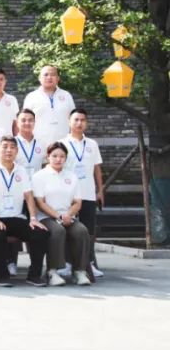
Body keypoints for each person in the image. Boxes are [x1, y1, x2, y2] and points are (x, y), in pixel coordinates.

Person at [0, 137, 50, 287]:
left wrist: (33, 218)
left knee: (40, 233)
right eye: (5, 147)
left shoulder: (21, 170)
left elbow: (28, 196)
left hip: (16, 217)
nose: (8, 150)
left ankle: (34, 275)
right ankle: (1, 275)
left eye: (12, 147)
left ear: (17, 151)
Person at [33, 142, 92, 286]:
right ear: (47, 157)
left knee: (81, 231)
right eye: (54, 156)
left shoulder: (71, 176)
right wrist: (58, 216)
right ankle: (52, 272)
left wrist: (67, 215)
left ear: (66, 158)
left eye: (62, 156)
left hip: (68, 216)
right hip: (46, 217)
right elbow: (40, 202)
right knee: (58, 231)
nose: (58, 159)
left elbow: (77, 202)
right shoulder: (39, 176)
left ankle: (79, 271)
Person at [59, 108, 104, 277]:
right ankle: (66, 263)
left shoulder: (92, 144)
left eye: (82, 120)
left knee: (88, 231)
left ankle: (89, 263)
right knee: (65, 229)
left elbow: (97, 169)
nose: (79, 123)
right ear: (69, 122)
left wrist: (100, 190)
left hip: (88, 193)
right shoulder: (61, 143)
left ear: (86, 123)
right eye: (76, 120)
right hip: (67, 194)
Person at [22, 65, 76, 145]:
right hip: (37, 145)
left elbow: (74, 119)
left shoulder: (66, 95)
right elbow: (24, 122)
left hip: (63, 144)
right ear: (39, 78)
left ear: (58, 78)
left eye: (53, 75)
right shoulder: (31, 97)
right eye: (46, 75)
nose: (49, 77)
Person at [15, 109, 46, 177]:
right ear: (17, 123)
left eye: (30, 120)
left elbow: (45, 165)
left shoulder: (42, 144)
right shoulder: (12, 143)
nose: (27, 123)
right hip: (17, 181)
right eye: (23, 120)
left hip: (37, 182)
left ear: (34, 122)